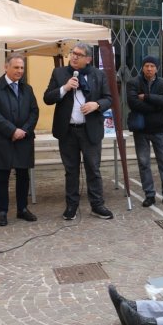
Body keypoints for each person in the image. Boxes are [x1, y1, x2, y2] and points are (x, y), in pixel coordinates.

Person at [43, 42, 114, 220]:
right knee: (71, 170)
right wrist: (65, 88)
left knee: (93, 169)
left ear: (88, 59)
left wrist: (96, 105)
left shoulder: (98, 75)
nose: (74, 56)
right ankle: (71, 207)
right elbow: (47, 98)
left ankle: (97, 205)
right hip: (67, 131)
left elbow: (109, 98)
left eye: (79, 54)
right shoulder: (59, 73)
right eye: (73, 53)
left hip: (90, 130)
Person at [0, 53, 40, 226]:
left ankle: (22, 209)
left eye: (22, 68)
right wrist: (12, 130)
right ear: (6, 67)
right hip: (3, 139)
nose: (19, 71)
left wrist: (24, 130)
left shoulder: (27, 88)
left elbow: (34, 111)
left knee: (23, 176)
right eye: (16, 67)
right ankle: (2, 211)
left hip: (24, 139)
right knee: (2, 177)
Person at [127, 55, 163, 207]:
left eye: (152, 66)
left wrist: (147, 97)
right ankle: (149, 195)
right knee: (144, 163)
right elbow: (133, 103)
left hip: (159, 129)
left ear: (157, 68)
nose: (149, 68)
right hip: (141, 130)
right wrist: (156, 106)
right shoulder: (133, 82)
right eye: (146, 66)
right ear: (142, 67)